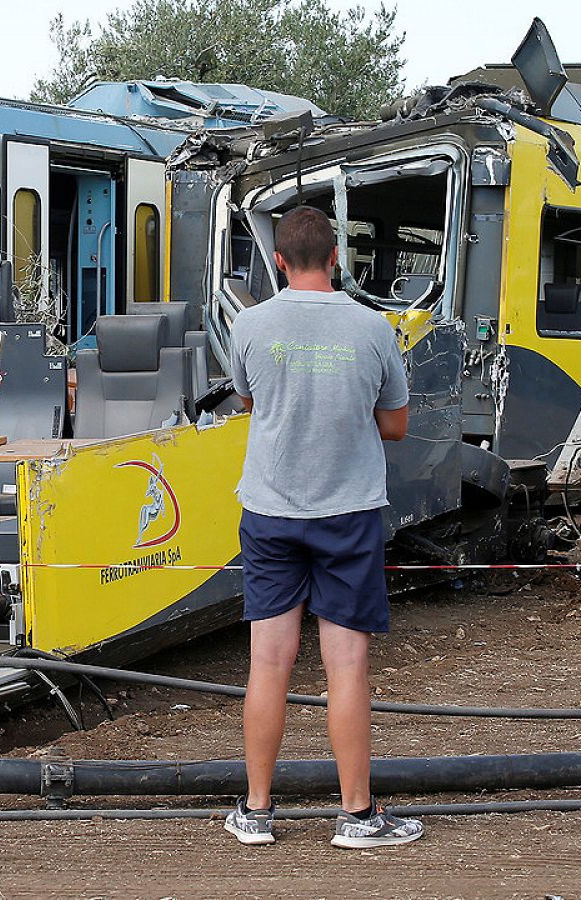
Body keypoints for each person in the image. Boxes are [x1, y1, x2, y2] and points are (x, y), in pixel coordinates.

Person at [221, 206, 422, 849]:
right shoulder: (374, 328)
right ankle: (357, 817)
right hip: (348, 514)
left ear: (278, 262)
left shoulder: (250, 325)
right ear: (336, 257)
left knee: (268, 663)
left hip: (271, 511)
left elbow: (251, 402)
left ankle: (255, 812)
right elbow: (395, 426)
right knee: (347, 666)